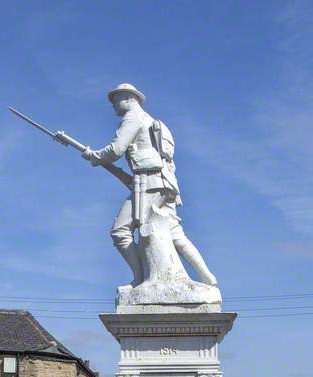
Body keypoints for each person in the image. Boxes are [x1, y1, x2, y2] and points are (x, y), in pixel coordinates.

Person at [82, 83, 216, 287]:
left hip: (149, 183)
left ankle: (140, 279)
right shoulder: (150, 121)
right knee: (175, 234)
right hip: (165, 183)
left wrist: (94, 156)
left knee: (120, 231)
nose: (114, 106)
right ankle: (207, 276)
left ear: (128, 98)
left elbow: (116, 150)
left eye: (116, 100)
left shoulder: (133, 118)